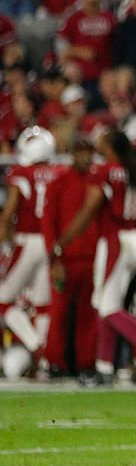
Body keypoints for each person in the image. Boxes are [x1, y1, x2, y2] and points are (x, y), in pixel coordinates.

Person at [53, 128, 136, 385]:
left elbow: (89, 209)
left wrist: (63, 241)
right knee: (107, 303)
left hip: (115, 241)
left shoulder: (105, 171)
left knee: (108, 307)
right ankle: (104, 368)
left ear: (110, 146)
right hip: (134, 241)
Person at [41, 135, 99, 379]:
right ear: (73, 154)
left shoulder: (97, 183)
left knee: (89, 313)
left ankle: (85, 363)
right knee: (60, 312)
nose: (85, 157)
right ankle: (55, 362)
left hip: (93, 258)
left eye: (89, 152)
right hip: (66, 259)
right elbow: (48, 222)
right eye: (81, 151)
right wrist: (54, 258)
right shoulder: (59, 183)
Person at [0, 127, 59, 359]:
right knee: (42, 303)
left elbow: (9, 212)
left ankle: (36, 346)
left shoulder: (21, 173)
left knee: (3, 301)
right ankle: (44, 358)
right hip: (49, 242)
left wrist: (5, 239)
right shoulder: (57, 173)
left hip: (26, 240)